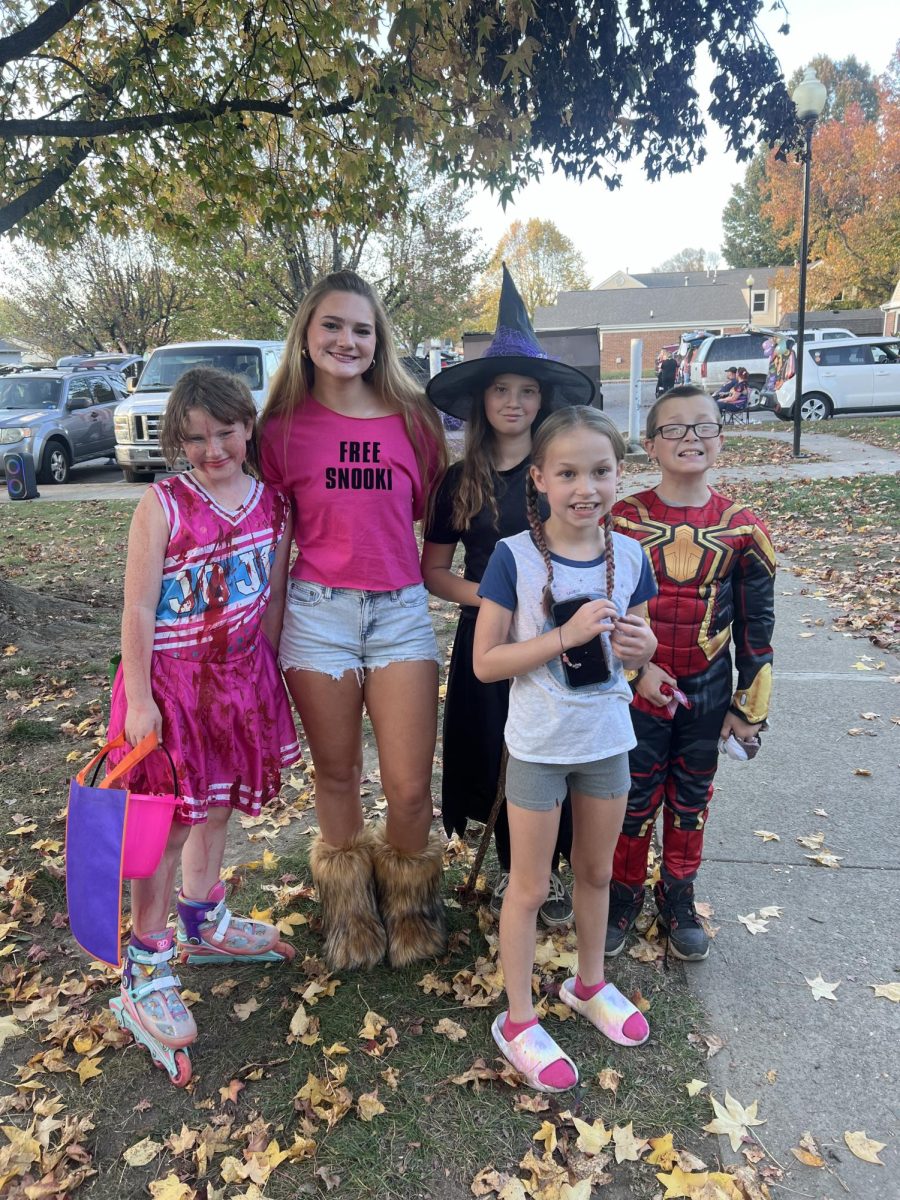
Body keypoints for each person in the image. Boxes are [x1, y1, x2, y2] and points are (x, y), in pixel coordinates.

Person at [106, 366, 301, 1085]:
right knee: (169, 825)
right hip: (171, 688)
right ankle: (145, 965)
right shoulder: (163, 505)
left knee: (216, 806)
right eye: (195, 438)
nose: (212, 448)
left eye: (224, 432)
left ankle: (203, 920)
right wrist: (139, 701)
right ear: (177, 443)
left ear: (248, 426)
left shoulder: (274, 506)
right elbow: (136, 609)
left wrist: (270, 674)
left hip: (239, 681)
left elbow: (274, 594)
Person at [259, 271, 449, 973]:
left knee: (407, 787)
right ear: (307, 337)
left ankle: (410, 909)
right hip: (318, 617)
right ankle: (352, 917)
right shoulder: (277, 430)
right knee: (336, 774)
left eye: (361, 329)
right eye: (332, 326)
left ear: (379, 339)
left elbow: (433, 518)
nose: (347, 340)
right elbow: (275, 542)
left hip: (400, 613)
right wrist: (268, 637)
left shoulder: (415, 419)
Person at [473, 407, 658, 1091]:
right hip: (540, 746)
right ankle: (519, 1019)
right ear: (541, 479)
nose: (588, 487)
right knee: (527, 886)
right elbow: (487, 662)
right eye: (570, 472)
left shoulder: (630, 555)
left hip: (607, 740)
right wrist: (565, 636)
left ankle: (588, 984)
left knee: (596, 872)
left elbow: (636, 648)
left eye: (602, 471)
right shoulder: (513, 557)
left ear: (618, 475)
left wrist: (643, 649)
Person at [423, 267, 596, 928]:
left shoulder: (562, 470)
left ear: (543, 398)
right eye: (502, 390)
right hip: (493, 637)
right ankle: (510, 863)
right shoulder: (457, 481)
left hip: (565, 629)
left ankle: (554, 867)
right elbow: (434, 570)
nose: (515, 402)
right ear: (481, 400)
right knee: (499, 745)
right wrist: (497, 602)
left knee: (559, 741)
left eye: (528, 390)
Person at [608, 386, 775, 961]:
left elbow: (758, 626)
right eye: (674, 429)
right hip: (634, 687)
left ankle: (678, 893)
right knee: (631, 798)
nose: (690, 438)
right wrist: (635, 668)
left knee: (691, 798)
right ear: (650, 444)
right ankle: (622, 893)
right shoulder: (621, 520)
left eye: (703, 427)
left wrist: (749, 708)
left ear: (721, 440)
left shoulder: (744, 529)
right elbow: (598, 603)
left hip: (707, 689)